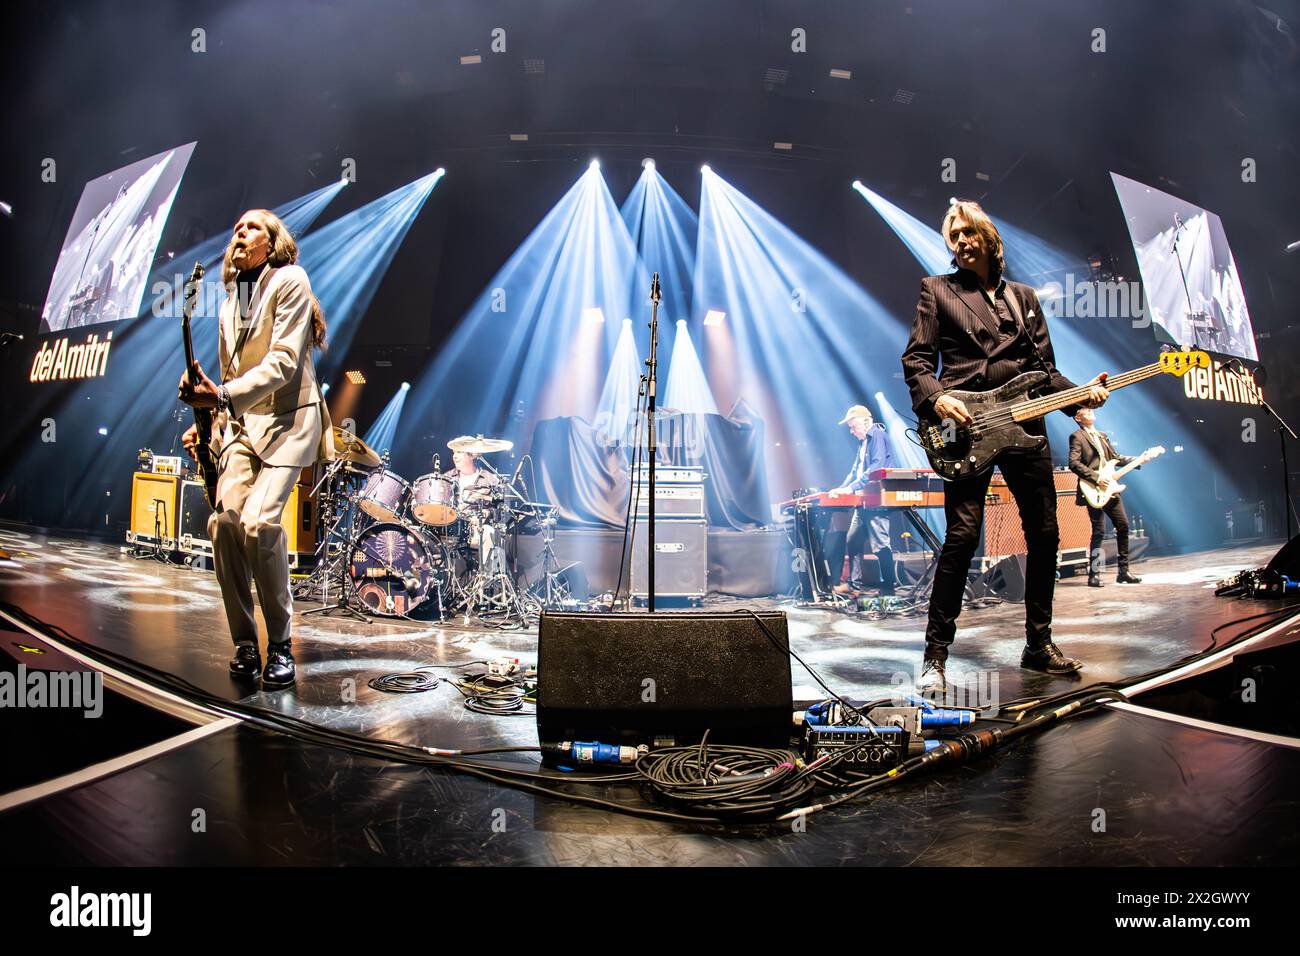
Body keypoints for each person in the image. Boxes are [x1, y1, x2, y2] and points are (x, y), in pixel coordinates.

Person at [901, 200, 1109, 693]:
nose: (960, 240)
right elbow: (915, 361)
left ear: (989, 237)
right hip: (967, 427)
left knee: (1045, 533)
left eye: (968, 231)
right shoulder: (937, 290)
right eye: (953, 235)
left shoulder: (1023, 297)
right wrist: (939, 398)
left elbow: (1046, 372)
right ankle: (935, 655)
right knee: (963, 536)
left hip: (1025, 426)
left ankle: (1038, 644)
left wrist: (1080, 401)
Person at [180, 209, 333, 690]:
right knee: (224, 524)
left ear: (272, 243)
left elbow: (285, 362)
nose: (238, 233)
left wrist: (222, 397)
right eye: (235, 228)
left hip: (290, 419)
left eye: (250, 228)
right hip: (244, 426)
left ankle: (282, 645)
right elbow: (228, 381)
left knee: (259, 521)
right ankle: (246, 642)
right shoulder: (227, 305)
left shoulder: (291, 279)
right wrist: (210, 423)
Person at [824, 404, 897, 596]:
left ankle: (888, 588)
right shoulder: (863, 442)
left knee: (881, 544)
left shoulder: (877, 435)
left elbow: (876, 467)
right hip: (864, 500)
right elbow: (855, 470)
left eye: (852, 426)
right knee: (853, 540)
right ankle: (854, 586)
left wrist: (850, 488)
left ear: (866, 421)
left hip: (877, 499)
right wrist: (842, 488)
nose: (851, 431)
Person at [1068, 408, 1142, 587]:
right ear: (1078, 418)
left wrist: (1139, 460)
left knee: (1123, 525)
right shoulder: (1077, 436)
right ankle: (1094, 575)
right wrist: (1097, 478)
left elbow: (1115, 458)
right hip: (1093, 489)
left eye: (1090, 408)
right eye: (1084, 410)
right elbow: (1073, 463)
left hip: (1110, 488)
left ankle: (1123, 572)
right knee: (1098, 531)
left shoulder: (1102, 436)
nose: (1090, 410)